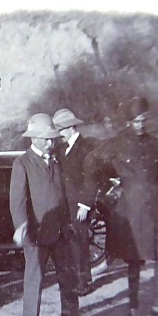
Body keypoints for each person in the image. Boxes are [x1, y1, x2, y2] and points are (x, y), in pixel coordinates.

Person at [84, 96, 158, 316]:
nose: (141, 125)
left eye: (144, 120)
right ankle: (133, 306)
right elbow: (91, 161)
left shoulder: (155, 143)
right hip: (133, 210)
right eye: (137, 121)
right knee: (135, 259)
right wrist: (109, 182)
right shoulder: (117, 142)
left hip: (155, 208)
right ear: (129, 121)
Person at [9, 113, 85, 316]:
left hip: (61, 231)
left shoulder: (55, 161)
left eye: (53, 139)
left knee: (68, 278)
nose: (52, 143)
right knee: (35, 278)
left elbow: (61, 194)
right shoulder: (22, 163)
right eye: (47, 139)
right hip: (37, 232)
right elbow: (18, 200)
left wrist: (68, 223)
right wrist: (21, 226)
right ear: (35, 139)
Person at [53, 108, 97, 295]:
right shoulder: (62, 148)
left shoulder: (86, 148)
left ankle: (84, 282)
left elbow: (91, 178)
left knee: (80, 242)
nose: (59, 134)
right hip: (66, 204)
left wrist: (86, 205)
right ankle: (74, 279)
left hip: (79, 206)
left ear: (71, 128)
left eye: (61, 129)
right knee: (69, 243)